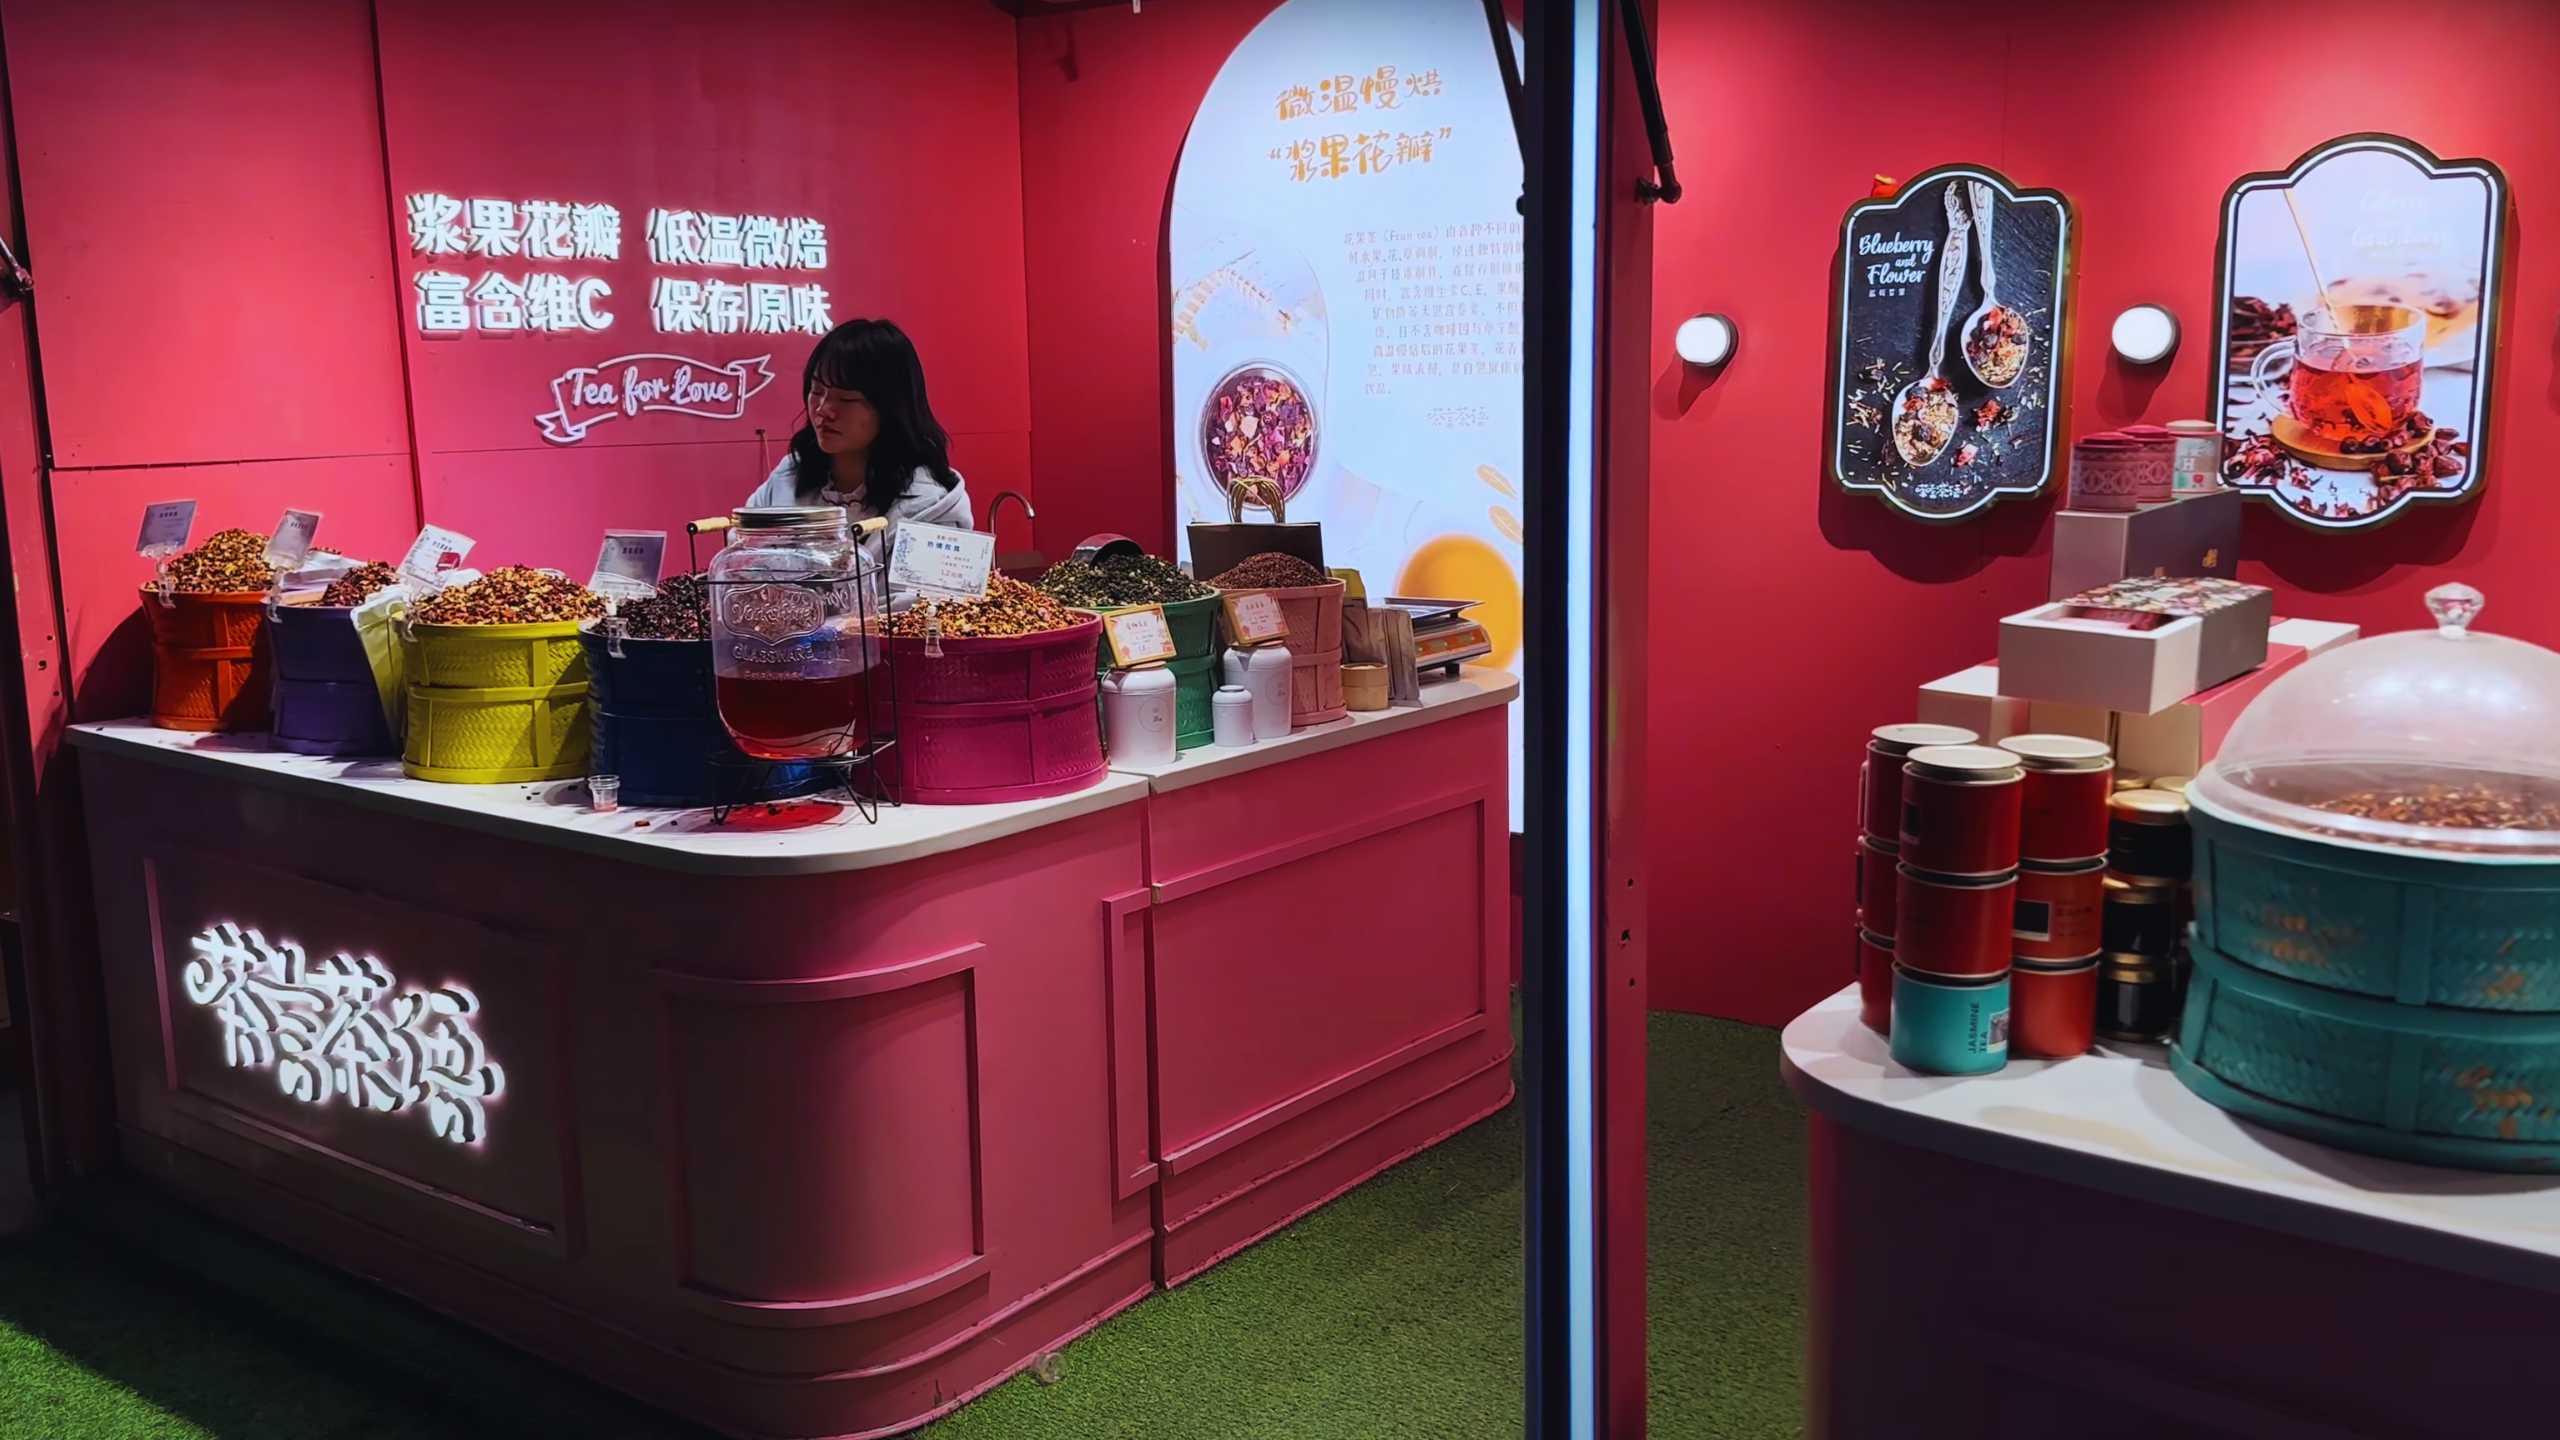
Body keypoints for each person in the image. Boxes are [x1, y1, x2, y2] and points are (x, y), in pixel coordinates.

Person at [747, 318, 972, 600]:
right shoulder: (788, 478)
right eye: (816, 391)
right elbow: (744, 565)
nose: (823, 409)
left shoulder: (932, 504)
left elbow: (929, 618)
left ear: (891, 408)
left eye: (846, 399)